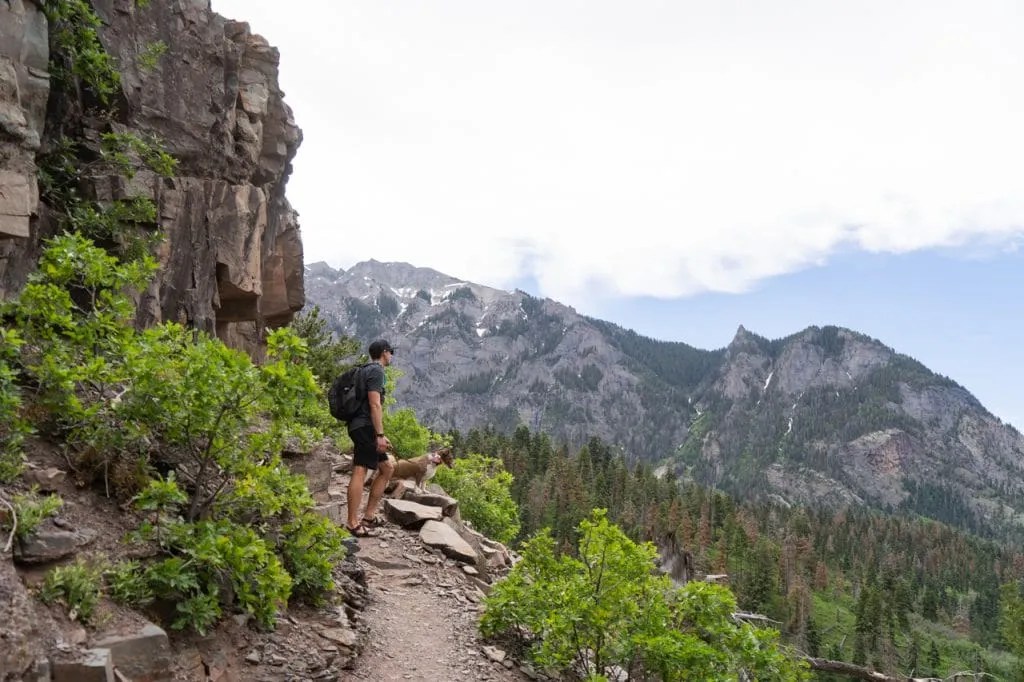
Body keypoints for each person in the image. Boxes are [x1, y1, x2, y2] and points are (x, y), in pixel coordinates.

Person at [345, 339, 396, 537]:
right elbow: (375, 405)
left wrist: (380, 434)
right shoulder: (377, 371)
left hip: (362, 426)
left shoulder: (364, 370)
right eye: (390, 352)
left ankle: (368, 516)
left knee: (387, 468)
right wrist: (380, 435)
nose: (391, 356)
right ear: (384, 352)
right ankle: (352, 523)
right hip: (364, 426)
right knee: (360, 470)